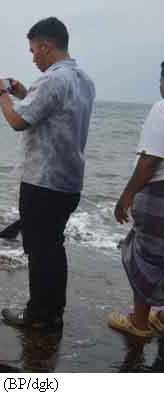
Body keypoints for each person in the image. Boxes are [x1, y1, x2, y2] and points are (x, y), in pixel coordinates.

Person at [0, 17, 95, 330]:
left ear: (47, 46)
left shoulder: (52, 80)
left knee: (39, 250)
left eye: (34, 50)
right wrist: (24, 93)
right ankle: (53, 313)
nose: (33, 56)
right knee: (53, 246)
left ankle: (37, 315)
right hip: (68, 180)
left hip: (43, 180)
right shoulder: (83, 80)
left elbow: (18, 121)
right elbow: (50, 113)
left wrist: (2, 95)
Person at [107, 61, 164, 339]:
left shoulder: (162, 108)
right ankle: (162, 316)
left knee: (144, 255)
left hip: (158, 194)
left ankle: (139, 323)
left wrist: (126, 196)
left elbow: (150, 160)